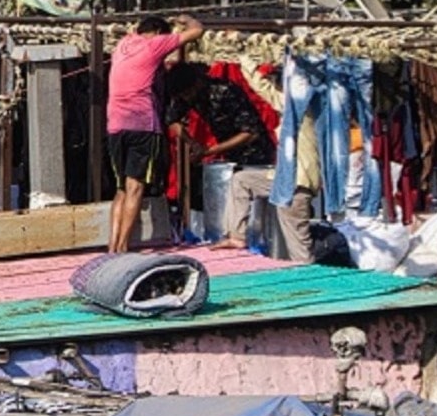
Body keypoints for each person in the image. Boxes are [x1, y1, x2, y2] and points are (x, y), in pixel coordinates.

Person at [165, 61, 316, 258]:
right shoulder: (189, 96)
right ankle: (238, 236)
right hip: (283, 176)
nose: (186, 98)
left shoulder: (227, 92)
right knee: (241, 182)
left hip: (278, 169)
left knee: (294, 235)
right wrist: (192, 143)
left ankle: (295, 264)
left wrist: (209, 151)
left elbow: (251, 131)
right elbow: (172, 119)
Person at [105, 13, 204, 254]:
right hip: (142, 124)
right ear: (159, 33)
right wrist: (186, 19)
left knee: (121, 189)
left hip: (116, 124)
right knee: (135, 187)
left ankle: (113, 247)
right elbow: (197, 30)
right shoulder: (154, 45)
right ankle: (124, 247)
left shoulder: (123, 45)